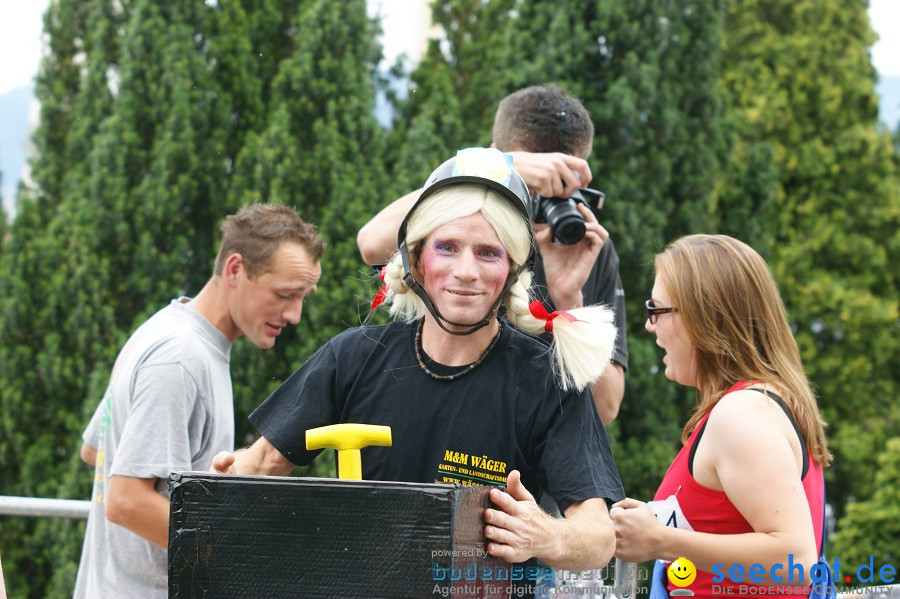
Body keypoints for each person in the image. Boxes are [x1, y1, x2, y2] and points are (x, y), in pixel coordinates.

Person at [213, 148, 625, 596]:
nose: (465, 272)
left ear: (512, 271)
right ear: (415, 261)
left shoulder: (545, 380)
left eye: (489, 253)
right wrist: (231, 477)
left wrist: (546, 535)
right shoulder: (354, 356)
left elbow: (598, 538)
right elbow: (262, 464)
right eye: (447, 248)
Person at [74, 203, 324, 599]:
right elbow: (125, 500)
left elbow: (96, 450)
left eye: (303, 297)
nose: (294, 314)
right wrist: (246, 556)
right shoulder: (179, 358)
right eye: (284, 295)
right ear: (235, 270)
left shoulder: (162, 330)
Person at [357, 84, 628, 424]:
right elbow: (371, 243)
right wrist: (493, 168)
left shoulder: (586, 245)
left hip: (528, 443)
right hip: (433, 413)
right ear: (495, 153)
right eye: (533, 187)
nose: (541, 202)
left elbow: (605, 409)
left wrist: (569, 304)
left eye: (565, 188)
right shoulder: (460, 215)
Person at [609, 234, 832, 599]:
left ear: (702, 318)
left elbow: (797, 562)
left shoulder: (742, 414)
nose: (650, 325)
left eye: (657, 309)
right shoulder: (762, 403)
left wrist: (659, 540)